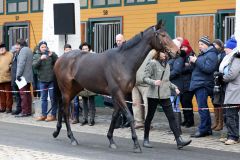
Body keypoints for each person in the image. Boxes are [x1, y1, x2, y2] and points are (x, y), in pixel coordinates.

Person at [143, 50, 191, 149]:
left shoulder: (167, 65)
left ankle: (179, 140)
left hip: (165, 95)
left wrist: (175, 87)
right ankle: (146, 139)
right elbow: (145, 78)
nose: (164, 54)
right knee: (149, 117)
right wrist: (153, 82)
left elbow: (167, 81)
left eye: (165, 53)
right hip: (153, 95)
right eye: (162, 52)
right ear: (158, 53)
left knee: (171, 117)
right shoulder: (152, 63)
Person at [189, 36, 218, 138]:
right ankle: (207, 129)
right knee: (203, 107)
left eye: (201, 44)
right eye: (199, 44)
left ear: (207, 44)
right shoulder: (205, 54)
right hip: (199, 83)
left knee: (202, 108)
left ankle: (203, 129)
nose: (199, 46)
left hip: (203, 84)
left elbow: (208, 69)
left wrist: (196, 61)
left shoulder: (212, 54)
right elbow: (200, 67)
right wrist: (192, 62)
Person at [33, 41, 58, 122]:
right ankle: (44, 114)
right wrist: (40, 59)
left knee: (53, 98)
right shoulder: (36, 55)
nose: (44, 48)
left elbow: (58, 61)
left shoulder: (51, 54)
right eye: (42, 47)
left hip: (51, 80)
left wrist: (53, 55)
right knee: (43, 98)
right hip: (42, 80)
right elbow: (34, 66)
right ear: (39, 48)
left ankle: (53, 115)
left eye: (45, 47)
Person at [220, 37, 239, 145]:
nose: (225, 50)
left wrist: (222, 78)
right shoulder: (232, 57)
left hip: (235, 90)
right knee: (231, 114)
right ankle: (231, 135)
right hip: (232, 89)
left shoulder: (236, 58)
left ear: (232, 48)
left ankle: (233, 136)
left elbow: (232, 73)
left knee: (231, 114)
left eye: (227, 48)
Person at [132, 49, 154, 129]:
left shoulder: (152, 52)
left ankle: (148, 122)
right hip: (135, 83)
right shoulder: (134, 53)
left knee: (147, 104)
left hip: (146, 84)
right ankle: (138, 122)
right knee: (135, 104)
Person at [168, 39, 185, 134]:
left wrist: (165, 77)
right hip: (170, 86)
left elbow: (177, 71)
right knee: (172, 106)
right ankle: (174, 128)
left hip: (176, 86)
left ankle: (177, 129)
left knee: (175, 106)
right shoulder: (171, 58)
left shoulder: (179, 59)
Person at [78, 42, 96, 126]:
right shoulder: (79, 59)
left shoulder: (93, 57)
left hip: (92, 81)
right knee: (84, 101)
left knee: (91, 101)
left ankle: (92, 119)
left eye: (86, 48)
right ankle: (85, 118)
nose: (85, 50)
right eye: (83, 49)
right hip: (83, 82)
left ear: (89, 49)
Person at [15, 39, 33, 117]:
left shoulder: (22, 51)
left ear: (20, 44)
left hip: (23, 77)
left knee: (23, 94)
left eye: (17, 44)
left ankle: (24, 111)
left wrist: (18, 75)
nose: (16, 46)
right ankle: (28, 111)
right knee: (28, 94)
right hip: (29, 76)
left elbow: (21, 64)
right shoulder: (29, 50)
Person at [180, 39, 195, 128]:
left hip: (189, 83)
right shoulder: (182, 56)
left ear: (188, 47)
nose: (183, 48)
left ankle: (190, 120)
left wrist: (182, 68)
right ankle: (185, 119)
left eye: (185, 47)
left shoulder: (191, 55)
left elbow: (191, 68)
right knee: (183, 102)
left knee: (187, 102)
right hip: (183, 83)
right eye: (182, 47)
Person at [211, 39, 226, 131]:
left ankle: (221, 123)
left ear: (220, 46)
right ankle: (216, 122)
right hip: (214, 80)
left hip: (219, 81)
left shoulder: (222, 55)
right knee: (215, 102)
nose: (214, 47)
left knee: (220, 102)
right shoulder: (215, 54)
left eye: (215, 45)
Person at [0, 43, 13, 113]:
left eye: (3, 48)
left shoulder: (10, 54)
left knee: (8, 94)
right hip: (0, 78)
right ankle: (2, 107)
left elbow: (13, 63)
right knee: (1, 95)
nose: (1, 49)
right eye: (0, 48)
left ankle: (9, 107)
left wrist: (10, 66)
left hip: (8, 78)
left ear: (5, 48)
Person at [10, 43, 22, 115]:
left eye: (18, 48)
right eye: (15, 48)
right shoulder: (14, 55)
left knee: (20, 94)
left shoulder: (20, 56)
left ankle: (19, 109)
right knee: (16, 95)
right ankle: (18, 108)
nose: (16, 49)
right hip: (14, 77)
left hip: (18, 78)